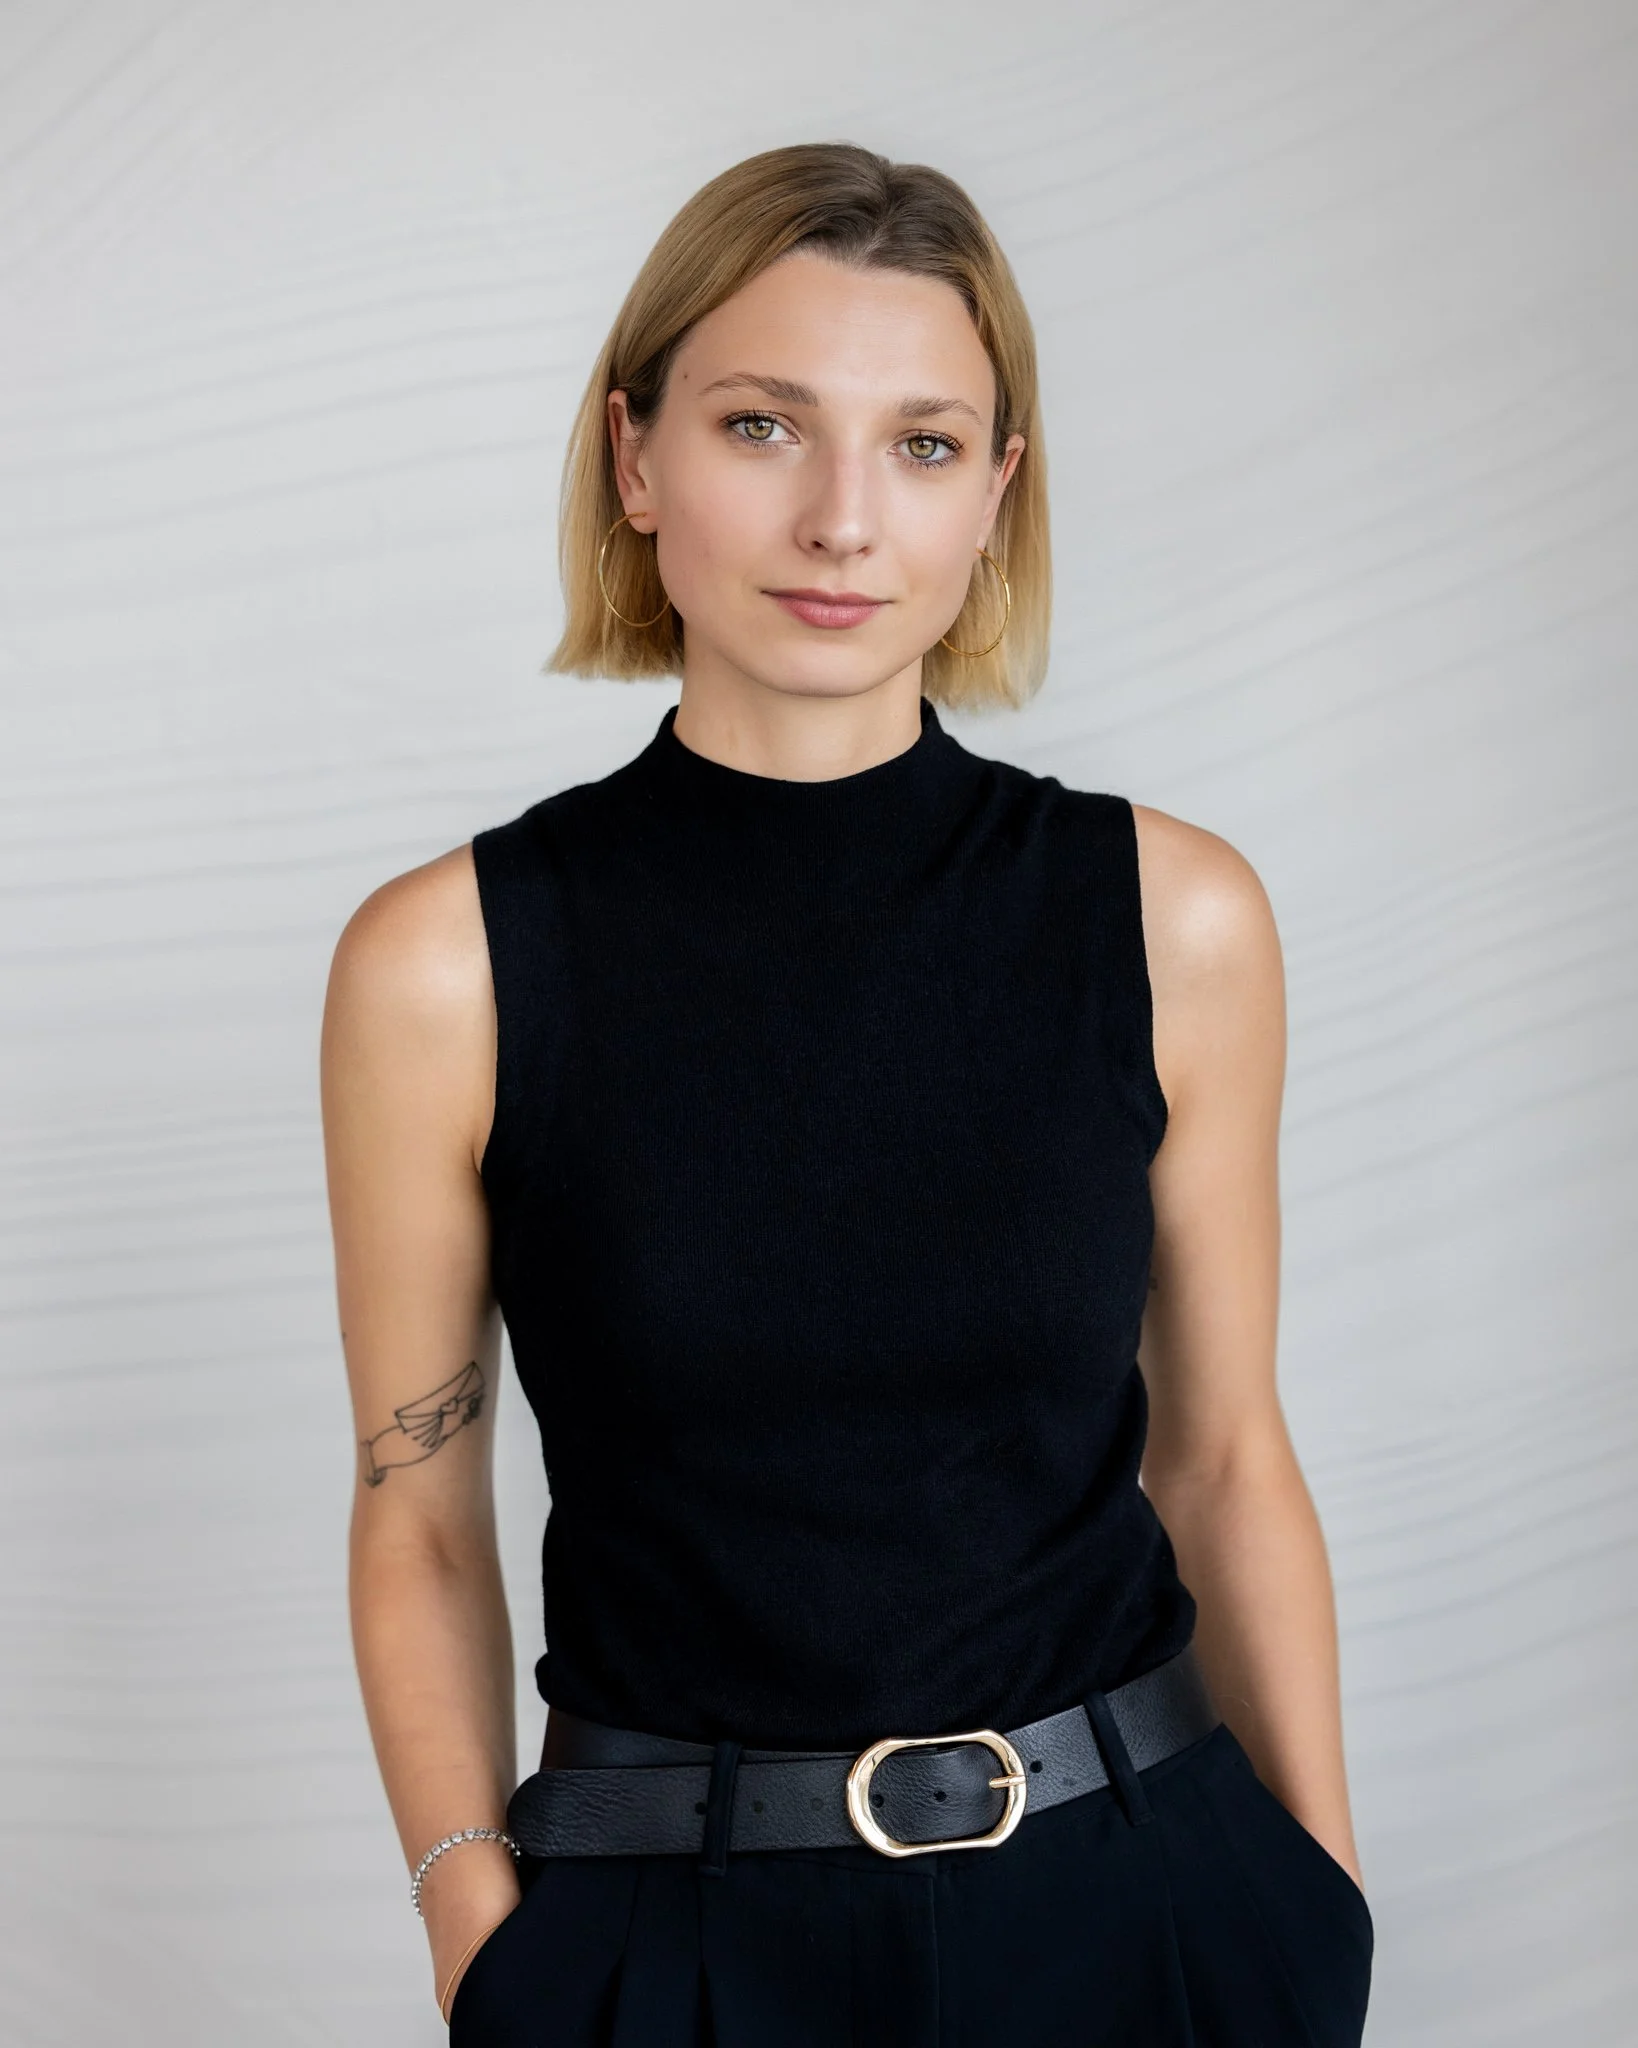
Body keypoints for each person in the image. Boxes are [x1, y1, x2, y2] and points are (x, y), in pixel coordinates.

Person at [320, 142, 1374, 2047]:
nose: (838, 520)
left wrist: (1319, 1902)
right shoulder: (447, 960)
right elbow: (417, 1510)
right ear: (635, 459)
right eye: (759, 425)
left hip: (1145, 1909)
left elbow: (1221, 1455)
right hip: (670, 1939)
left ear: (996, 497)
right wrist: (485, 1940)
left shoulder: (1173, 914)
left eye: (920, 445)